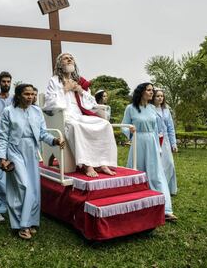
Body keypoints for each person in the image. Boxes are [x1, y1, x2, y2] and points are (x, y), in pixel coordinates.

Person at [0, 84, 65, 240]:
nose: (30, 97)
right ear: (19, 95)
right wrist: (2, 157)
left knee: (33, 187)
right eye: (26, 94)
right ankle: (22, 225)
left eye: (32, 94)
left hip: (32, 150)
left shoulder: (37, 111)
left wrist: (54, 140)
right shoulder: (8, 111)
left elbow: (42, 133)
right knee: (23, 185)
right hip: (14, 150)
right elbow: (2, 136)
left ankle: (29, 222)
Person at [43, 52, 117, 177]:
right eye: (66, 58)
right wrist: (65, 89)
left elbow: (91, 102)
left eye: (71, 58)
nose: (69, 60)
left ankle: (101, 163)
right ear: (60, 64)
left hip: (79, 114)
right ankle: (87, 165)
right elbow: (50, 103)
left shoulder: (78, 81)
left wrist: (79, 90)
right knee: (76, 126)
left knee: (104, 124)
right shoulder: (54, 81)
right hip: (64, 116)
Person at [121, 83, 177, 222]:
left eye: (152, 90)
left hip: (152, 142)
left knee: (157, 174)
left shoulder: (153, 108)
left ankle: (166, 209)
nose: (152, 93)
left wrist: (158, 147)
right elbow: (124, 126)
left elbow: (157, 130)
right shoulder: (131, 108)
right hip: (138, 142)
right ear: (141, 92)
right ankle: (136, 205)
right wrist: (130, 131)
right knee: (137, 172)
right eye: (149, 90)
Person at [150, 89, 178, 195]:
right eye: (157, 96)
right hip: (154, 139)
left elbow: (171, 128)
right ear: (153, 97)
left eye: (162, 96)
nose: (160, 98)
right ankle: (158, 188)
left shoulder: (166, 110)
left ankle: (169, 188)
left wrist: (173, 143)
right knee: (158, 164)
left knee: (169, 164)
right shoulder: (150, 109)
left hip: (165, 140)